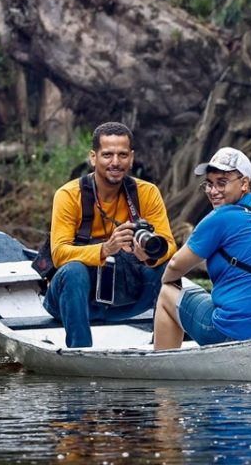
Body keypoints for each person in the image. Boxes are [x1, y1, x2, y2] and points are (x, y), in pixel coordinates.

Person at [153, 147, 251, 350]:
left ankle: (164, 372)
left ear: (244, 183)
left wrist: (164, 283)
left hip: (236, 334)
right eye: (209, 184)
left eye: (222, 183)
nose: (213, 191)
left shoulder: (221, 217)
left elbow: (175, 264)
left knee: (167, 292)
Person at [43, 122, 177, 348]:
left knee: (167, 270)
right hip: (73, 301)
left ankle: (165, 349)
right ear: (93, 157)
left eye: (122, 155)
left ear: (131, 158)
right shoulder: (68, 195)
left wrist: (147, 255)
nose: (116, 162)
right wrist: (106, 248)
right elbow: (58, 254)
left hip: (126, 302)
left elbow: (169, 245)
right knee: (74, 271)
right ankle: (81, 354)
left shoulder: (147, 193)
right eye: (107, 155)